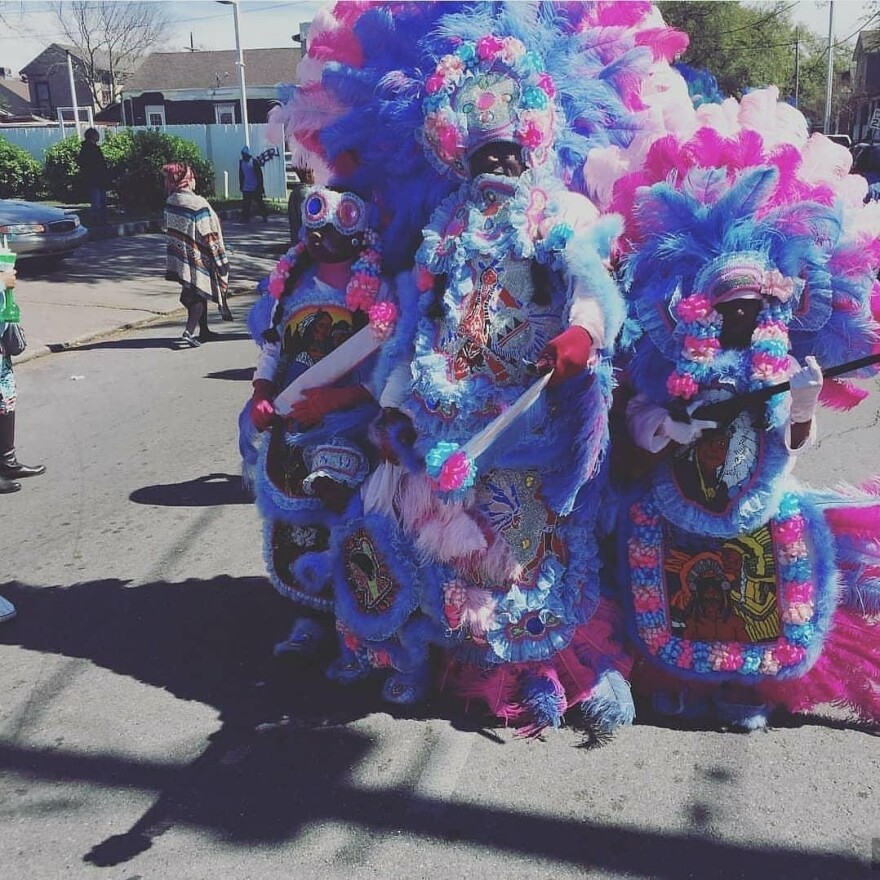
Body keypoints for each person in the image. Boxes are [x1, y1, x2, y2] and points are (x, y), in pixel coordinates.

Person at [241, 184, 389, 657]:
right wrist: (262, 392)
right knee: (293, 520)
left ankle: (362, 619)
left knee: (339, 501)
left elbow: (387, 370)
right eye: (316, 227)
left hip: (351, 423)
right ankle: (311, 616)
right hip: (292, 422)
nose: (325, 236)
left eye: (337, 226)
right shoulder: (290, 287)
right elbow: (272, 349)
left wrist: (334, 401)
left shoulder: (377, 291)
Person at [163, 162, 232, 347]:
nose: (194, 181)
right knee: (199, 296)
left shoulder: (171, 201)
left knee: (196, 292)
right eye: (192, 178)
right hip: (199, 256)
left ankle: (205, 330)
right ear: (187, 180)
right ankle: (188, 332)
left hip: (181, 257)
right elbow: (209, 231)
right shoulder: (198, 203)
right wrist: (220, 258)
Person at [77, 127, 109, 225]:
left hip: (96, 178)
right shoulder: (90, 149)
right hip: (94, 178)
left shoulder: (88, 148)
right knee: (97, 201)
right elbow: (96, 163)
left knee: (101, 200)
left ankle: (101, 219)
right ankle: (97, 220)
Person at [239, 146, 267, 222]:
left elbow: (259, 175)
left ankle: (264, 216)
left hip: (255, 186)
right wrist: (241, 185)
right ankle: (245, 218)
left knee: (260, 203)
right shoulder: (241, 163)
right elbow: (241, 175)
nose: (243, 156)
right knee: (246, 204)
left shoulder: (254, 162)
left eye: (244, 154)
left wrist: (260, 186)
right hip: (246, 187)